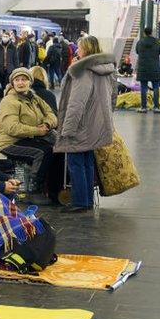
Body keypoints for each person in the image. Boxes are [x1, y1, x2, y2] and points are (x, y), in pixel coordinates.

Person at [54, 36, 115, 213]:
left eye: (79, 48)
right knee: (87, 161)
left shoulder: (81, 70)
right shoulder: (107, 68)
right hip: (97, 123)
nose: (76, 51)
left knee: (75, 162)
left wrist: (68, 128)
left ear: (86, 50)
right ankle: (86, 200)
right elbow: (113, 96)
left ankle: (80, 201)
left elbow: (76, 102)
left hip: (81, 124)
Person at [0, 68, 58, 199]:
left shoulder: (33, 97)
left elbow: (51, 114)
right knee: (42, 152)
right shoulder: (9, 101)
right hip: (9, 142)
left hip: (28, 138)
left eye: (24, 79)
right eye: (17, 80)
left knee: (54, 149)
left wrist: (47, 124)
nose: (20, 83)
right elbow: (12, 128)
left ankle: (52, 190)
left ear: (30, 82)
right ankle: (33, 190)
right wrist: (38, 131)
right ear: (12, 83)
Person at [134, 27, 160, 113]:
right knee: (156, 87)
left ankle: (143, 107)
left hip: (143, 68)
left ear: (144, 33)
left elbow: (137, 51)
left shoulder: (140, 42)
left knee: (143, 88)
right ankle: (156, 107)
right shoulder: (156, 42)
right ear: (151, 32)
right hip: (155, 68)